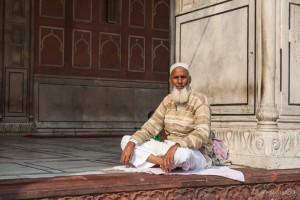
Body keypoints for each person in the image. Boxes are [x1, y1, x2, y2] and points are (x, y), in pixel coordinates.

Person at [120, 62, 211, 172]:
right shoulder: (167, 100)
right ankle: (162, 162)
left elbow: (202, 134)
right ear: (170, 80)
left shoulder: (200, 100)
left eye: (183, 77)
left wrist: (178, 145)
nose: (179, 82)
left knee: (182, 155)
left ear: (189, 79)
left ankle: (165, 161)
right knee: (126, 141)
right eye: (176, 78)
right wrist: (132, 143)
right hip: (168, 147)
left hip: (191, 151)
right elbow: (151, 126)